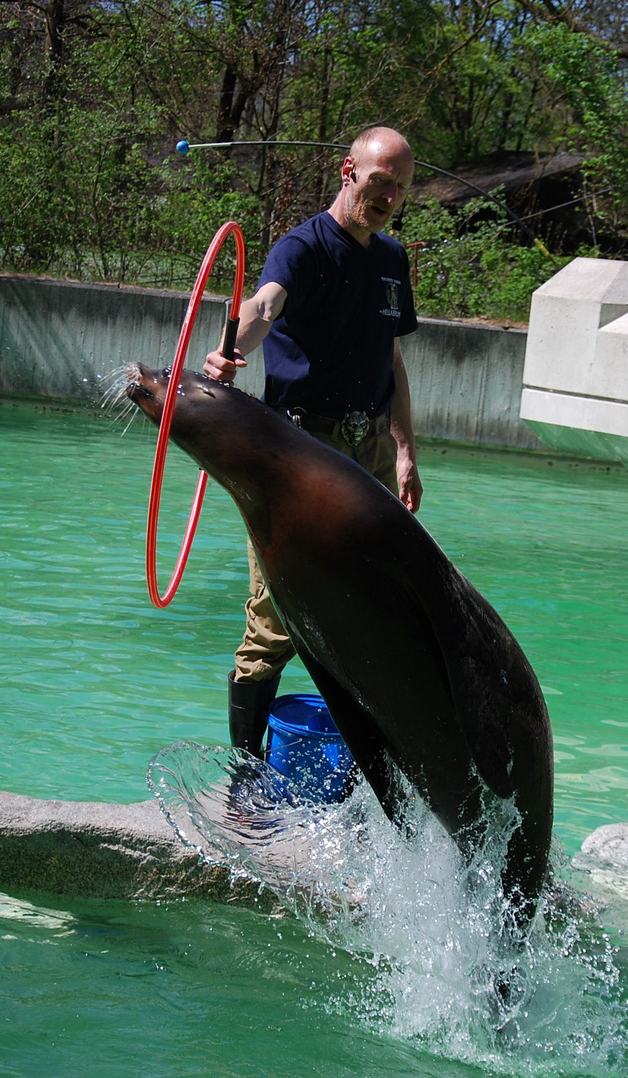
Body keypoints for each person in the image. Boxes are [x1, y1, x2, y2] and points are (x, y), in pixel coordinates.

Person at [202, 126, 422, 756]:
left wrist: (405, 452)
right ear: (350, 170)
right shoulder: (303, 245)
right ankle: (245, 777)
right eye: (380, 182)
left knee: (371, 609)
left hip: (372, 452)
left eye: (400, 189)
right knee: (276, 621)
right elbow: (265, 305)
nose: (388, 198)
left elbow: (394, 361)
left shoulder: (391, 260)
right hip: (298, 450)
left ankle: (360, 771)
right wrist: (231, 352)